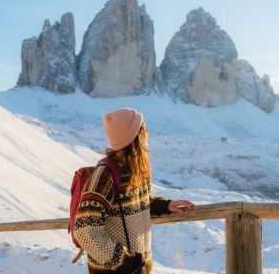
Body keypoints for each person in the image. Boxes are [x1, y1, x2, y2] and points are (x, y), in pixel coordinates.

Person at [74, 108, 194, 274]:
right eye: (142, 127)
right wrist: (125, 261)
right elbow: (85, 230)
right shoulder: (105, 175)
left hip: (137, 269)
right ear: (133, 136)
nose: (147, 132)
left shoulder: (134, 169)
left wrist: (164, 206)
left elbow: (132, 204)